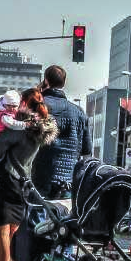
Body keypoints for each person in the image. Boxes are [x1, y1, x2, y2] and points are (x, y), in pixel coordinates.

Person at [0, 88, 58, 261]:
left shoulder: (18, 127)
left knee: (1, 231)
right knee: (16, 232)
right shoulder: (39, 130)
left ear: (24, 103)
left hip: (5, 179)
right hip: (24, 183)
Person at [31, 65, 90, 200]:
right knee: (62, 217)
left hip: (41, 176)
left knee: (37, 216)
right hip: (68, 180)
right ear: (63, 83)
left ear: (45, 81)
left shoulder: (37, 107)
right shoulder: (79, 112)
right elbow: (86, 151)